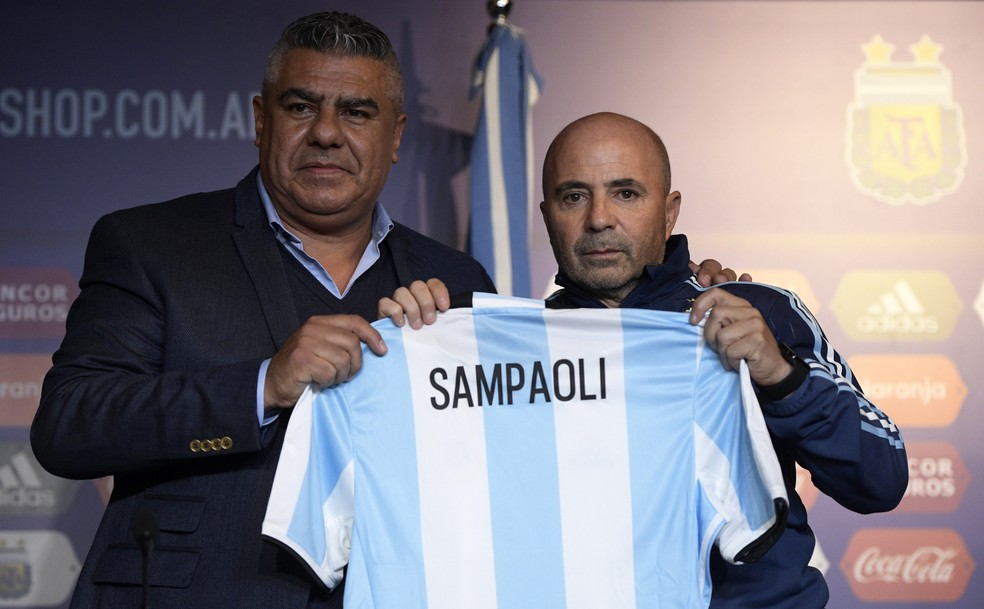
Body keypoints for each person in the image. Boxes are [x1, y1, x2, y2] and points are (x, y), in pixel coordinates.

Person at [31, 12, 737, 608]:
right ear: (260, 119)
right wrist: (262, 385)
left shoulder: (455, 278)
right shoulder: (152, 243)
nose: (328, 132)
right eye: (302, 105)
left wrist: (678, 293)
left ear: (396, 136)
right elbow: (69, 426)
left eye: (358, 111)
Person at [382, 112, 908, 609]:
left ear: (670, 209)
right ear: (546, 216)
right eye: (573, 197)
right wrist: (420, 344)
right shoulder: (506, 351)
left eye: (626, 193)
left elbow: (881, 481)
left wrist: (781, 374)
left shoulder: (760, 312)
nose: (599, 219)